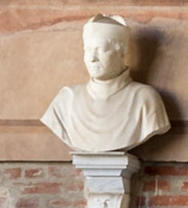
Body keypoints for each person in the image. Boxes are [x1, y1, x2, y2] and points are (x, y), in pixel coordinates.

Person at [42, 16, 171, 153]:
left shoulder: (145, 98)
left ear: (121, 52)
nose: (92, 58)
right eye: (88, 50)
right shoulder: (66, 100)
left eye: (100, 49)